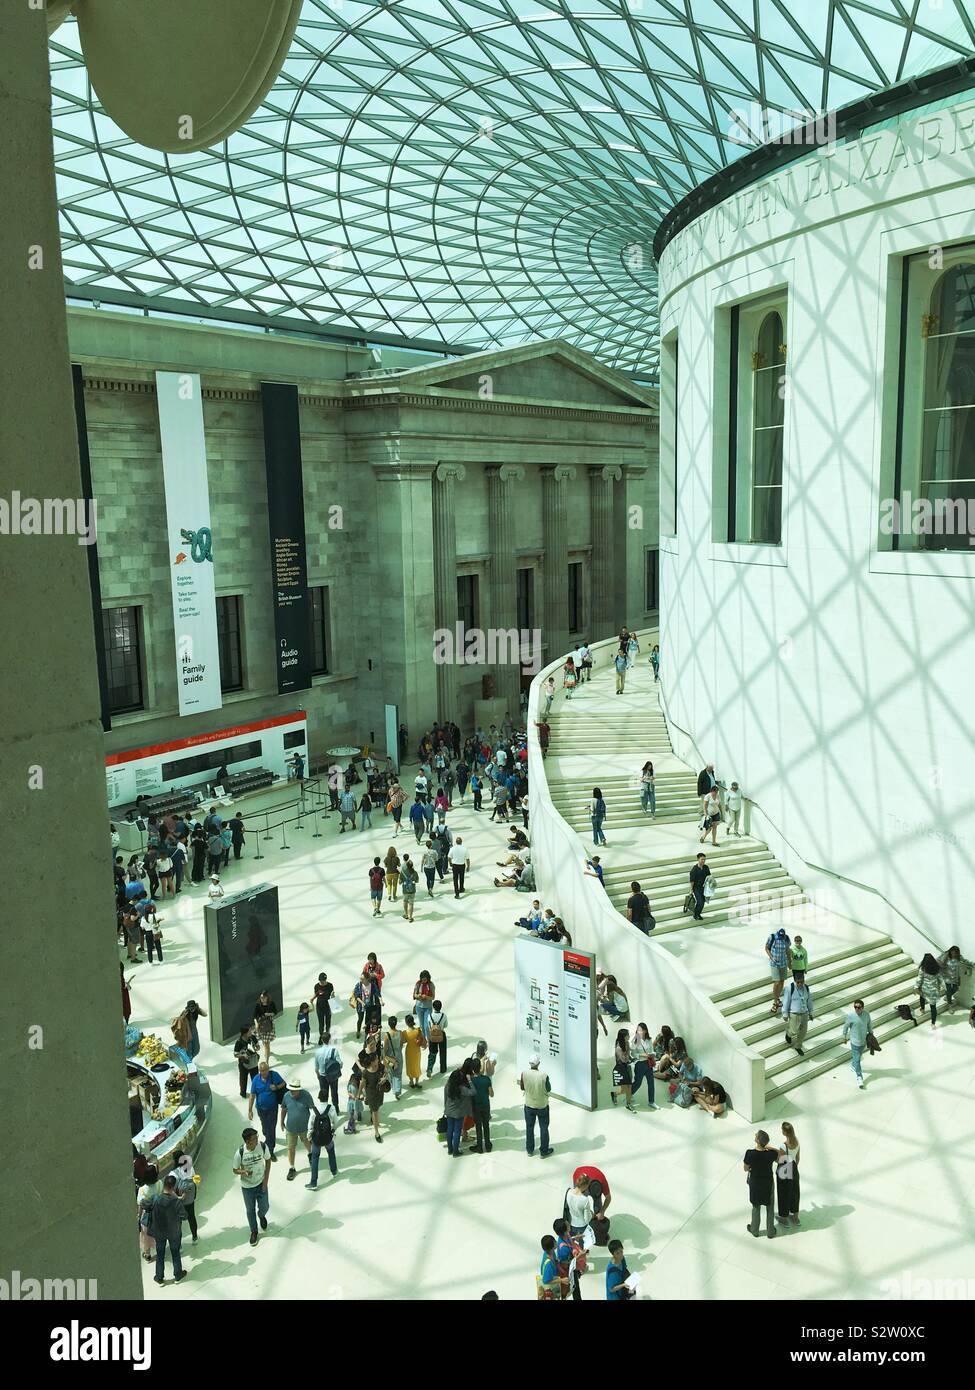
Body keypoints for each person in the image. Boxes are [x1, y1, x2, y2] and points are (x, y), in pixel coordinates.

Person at [233, 1127, 271, 1247]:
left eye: (257, 1137)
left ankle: (262, 1215)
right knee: (250, 1210)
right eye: (254, 1139)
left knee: (265, 1206)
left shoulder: (262, 1147)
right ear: (248, 1141)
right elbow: (235, 1170)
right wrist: (243, 1172)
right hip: (247, 1187)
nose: (257, 1140)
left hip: (261, 1183)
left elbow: (268, 1161)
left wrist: (265, 1181)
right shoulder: (240, 1152)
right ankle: (254, 1231)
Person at [744, 1130, 783, 1239]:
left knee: (756, 1207)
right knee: (770, 1208)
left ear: (757, 1140)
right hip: (768, 1183)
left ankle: (754, 1230)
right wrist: (771, 1148)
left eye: (756, 1135)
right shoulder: (771, 1154)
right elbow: (781, 1157)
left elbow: (745, 1168)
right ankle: (770, 1232)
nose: (755, 1135)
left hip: (755, 1183)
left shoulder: (749, 1153)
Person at [149, 1175, 185, 1285]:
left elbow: (145, 1204)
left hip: (159, 1232)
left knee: (160, 1254)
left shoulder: (156, 1199)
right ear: (173, 1187)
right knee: (175, 1253)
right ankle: (178, 1275)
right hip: (174, 1232)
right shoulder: (176, 1202)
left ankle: (159, 1278)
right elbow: (184, 1215)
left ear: (164, 1185)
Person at [248, 1060, 286, 1158]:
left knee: (271, 1128)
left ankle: (270, 1149)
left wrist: (276, 1087)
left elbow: (283, 1083)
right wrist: (250, 1109)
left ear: (268, 1069)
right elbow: (252, 1095)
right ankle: (268, 1137)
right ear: (259, 1071)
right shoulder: (256, 1080)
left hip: (272, 1108)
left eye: (266, 1070)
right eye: (262, 1071)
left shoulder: (274, 1075)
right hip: (260, 1108)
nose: (264, 1072)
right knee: (265, 1127)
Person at [282, 1080, 317, 1181]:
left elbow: (313, 1109)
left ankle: (310, 1153)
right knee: (290, 1148)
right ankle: (292, 1167)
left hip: (304, 1127)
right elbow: (284, 1108)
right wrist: (281, 1121)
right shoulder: (286, 1096)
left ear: (299, 1090)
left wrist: (315, 1123)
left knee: (307, 1142)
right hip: (290, 1128)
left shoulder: (306, 1095)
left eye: (294, 1091)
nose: (292, 1092)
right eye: (291, 1090)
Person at [520, 1055, 553, 1156]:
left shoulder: (524, 1074)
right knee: (543, 1127)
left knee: (529, 1128)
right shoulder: (544, 1075)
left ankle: (529, 1150)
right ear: (538, 1063)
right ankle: (544, 1151)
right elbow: (548, 1089)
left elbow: (522, 1087)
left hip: (529, 1105)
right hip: (542, 1105)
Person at [307, 1095, 340, 1190]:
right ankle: (334, 1172)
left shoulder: (314, 1109)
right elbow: (336, 1122)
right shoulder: (331, 1108)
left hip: (316, 1139)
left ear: (319, 1097)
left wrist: (309, 1136)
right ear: (327, 1097)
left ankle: (313, 1182)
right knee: (331, 1153)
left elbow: (310, 1125)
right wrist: (332, 1131)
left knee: (315, 1158)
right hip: (327, 1137)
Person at [443, 1067, 475, 1157]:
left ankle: (450, 1149)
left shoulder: (448, 1085)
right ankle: (455, 1151)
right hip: (458, 1113)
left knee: (450, 1130)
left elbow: (445, 1098)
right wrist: (470, 1081)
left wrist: (445, 1108)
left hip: (449, 1111)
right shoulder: (462, 1088)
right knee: (457, 1131)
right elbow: (473, 1092)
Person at [781, 970, 814, 1055]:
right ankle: (788, 1033)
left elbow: (809, 1001)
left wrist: (811, 1012)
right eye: (798, 982)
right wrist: (784, 1013)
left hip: (804, 1013)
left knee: (803, 1032)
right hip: (794, 1013)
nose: (800, 984)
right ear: (795, 981)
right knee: (793, 1031)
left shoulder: (806, 988)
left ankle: (798, 1046)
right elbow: (786, 1001)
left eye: (802, 982)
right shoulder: (790, 988)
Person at [841, 998, 872, 1089]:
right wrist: (844, 1036)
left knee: (857, 1058)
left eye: (859, 1007)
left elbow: (869, 1024)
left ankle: (854, 1066)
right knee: (858, 1059)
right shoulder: (850, 1016)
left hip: (863, 1041)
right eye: (855, 1007)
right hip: (854, 1042)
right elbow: (846, 1027)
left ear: (862, 1007)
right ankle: (859, 1077)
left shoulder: (866, 1014)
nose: (857, 1009)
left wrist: (871, 1033)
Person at [171, 1150, 200, 1243]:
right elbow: (196, 1180)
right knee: (192, 1217)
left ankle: (179, 1245)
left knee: (178, 1222)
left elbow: (170, 1189)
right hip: (190, 1199)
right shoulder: (190, 1168)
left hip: (179, 1201)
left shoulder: (174, 1173)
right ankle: (195, 1237)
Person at [775, 1121, 801, 1227]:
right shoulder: (797, 1141)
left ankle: (784, 1218)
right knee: (795, 1192)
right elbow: (798, 1158)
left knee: (783, 1193)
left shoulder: (783, 1146)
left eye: (782, 1130)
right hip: (794, 1167)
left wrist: (772, 1151)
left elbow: (779, 1160)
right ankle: (795, 1217)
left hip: (785, 1170)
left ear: (785, 1132)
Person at [360, 1051, 386, 1144]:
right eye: (376, 1059)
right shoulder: (366, 1072)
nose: (378, 1060)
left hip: (380, 1092)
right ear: (371, 1062)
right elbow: (362, 1083)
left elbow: (386, 1073)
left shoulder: (381, 1067)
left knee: (377, 1108)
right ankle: (376, 1132)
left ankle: (375, 1121)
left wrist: (385, 1078)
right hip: (371, 1094)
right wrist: (359, 1094)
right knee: (375, 1112)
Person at [630, 1022, 658, 1109]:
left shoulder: (649, 1040)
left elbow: (653, 1051)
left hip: (648, 1063)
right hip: (640, 1064)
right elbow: (633, 1054)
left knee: (651, 1083)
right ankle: (629, 1095)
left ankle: (651, 1101)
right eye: (637, 1030)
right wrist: (642, 1055)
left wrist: (652, 1054)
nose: (638, 1032)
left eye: (640, 1030)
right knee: (638, 1083)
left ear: (645, 1031)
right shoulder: (636, 1040)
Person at [765, 928, 791, 1014]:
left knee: (782, 981)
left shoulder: (786, 938)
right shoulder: (772, 937)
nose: (781, 937)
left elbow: (787, 951)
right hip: (774, 964)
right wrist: (771, 957)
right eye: (780, 936)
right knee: (776, 982)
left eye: (782, 936)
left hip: (783, 963)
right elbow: (766, 948)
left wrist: (789, 962)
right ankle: (775, 1001)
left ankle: (777, 999)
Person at [939, 945, 972, 1012]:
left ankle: (948, 996)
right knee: (949, 990)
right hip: (947, 977)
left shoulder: (959, 957)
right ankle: (950, 1005)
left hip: (955, 977)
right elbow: (938, 961)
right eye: (952, 953)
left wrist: (973, 963)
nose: (954, 954)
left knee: (955, 988)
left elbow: (965, 961)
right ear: (950, 952)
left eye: (955, 953)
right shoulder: (945, 956)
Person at [470, 1056, 493, 1152]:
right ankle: (488, 1145)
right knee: (486, 1124)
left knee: (478, 1126)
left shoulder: (472, 1081)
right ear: (480, 1068)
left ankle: (479, 1147)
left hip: (476, 1106)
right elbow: (492, 1094)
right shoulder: (487, 1079)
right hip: (485, 1105)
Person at [916, 953, 945, 1027]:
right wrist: (945, 987)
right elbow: (941, 979)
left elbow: (919, 979)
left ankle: (922, 1009)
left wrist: (916, 987)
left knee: (922, 997)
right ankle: (933, 1023)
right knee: (933, 1007)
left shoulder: (923, 968)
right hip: (934, 991)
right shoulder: (936, 968)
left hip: (924, 988)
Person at [315, 1032, 342, 1109]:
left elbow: (316, 1068)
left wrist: (318, 1076)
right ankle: (336, 1108)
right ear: (330, 1040)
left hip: (323, 1076)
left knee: (324, 1094)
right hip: (333, 1076)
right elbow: (340, 1064)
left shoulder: (317, 1052)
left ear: (322, 1040)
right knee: (334, 1093)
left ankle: (325, 1110)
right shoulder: (334, 1051)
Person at [234, 1024, 260, 1099]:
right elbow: (235, 1054)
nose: (251, 1032)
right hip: (243, 1064)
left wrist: (255, 1048)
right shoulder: (239, 1042)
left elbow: (258, 1047)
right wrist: (243, 1055)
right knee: (243, 1079)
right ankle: (243, 1093)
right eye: (249, 1031)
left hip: (253, 1062)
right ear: (245, 1033)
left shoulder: (253, 1038)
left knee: (255, 1078)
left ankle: (256, 1092)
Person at [612, 1029, 635, 1112]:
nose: (629, 1036)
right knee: (624, 1089)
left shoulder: (627, 1043)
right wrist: (628, 1054)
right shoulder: (618, 1048)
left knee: (629, 1087)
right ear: (623, 1037)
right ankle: (614, 1094)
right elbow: (624, 1059)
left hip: (627, 1067)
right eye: (627, 1035)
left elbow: (628, 1056)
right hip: (620, 1069)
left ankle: (628, 1104)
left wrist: (629, 1056)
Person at [538, 1235, 568, 1300]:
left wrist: (560, 1264)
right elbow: (546, 1281)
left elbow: (555, 1261)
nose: (557, 1242)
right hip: (550, 1288)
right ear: (552, 1247)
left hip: (553, 1276)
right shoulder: (548, 1264)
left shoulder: (550, 1253)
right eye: (555, 1242)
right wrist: (561, 1280)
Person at [253, 990, 277, 1063]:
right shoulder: (258, 1005)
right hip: (261, 1026)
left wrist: (269, 1014)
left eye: (263, 997)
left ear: (267, 997)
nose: (262, 999)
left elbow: (275, 1012)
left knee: (266, 1044)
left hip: (269, 1025)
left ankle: (267, 1061)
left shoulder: (271, 1004)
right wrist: (256, 1023)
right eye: (261, 997)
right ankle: (267, 1053)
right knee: (265, 1042)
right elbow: (254, 1016)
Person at [383, 1016, 404, 1100]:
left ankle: (393, 1088)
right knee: (398, 1074)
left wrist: (384, 1056)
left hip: (390, 1056)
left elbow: (385, 1047)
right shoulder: (400, 1033)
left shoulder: (387, 1035)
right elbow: (401, 1044)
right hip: (398, 1054)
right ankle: (397, 1091)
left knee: (391, 1072)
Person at [426, 999, 448, 1076]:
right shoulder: (444, 1016)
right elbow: (446, 1025)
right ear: (441, 1007)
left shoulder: (430, 1016)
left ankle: (429, 1068)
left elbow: (429, 1026)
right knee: (443, 1052)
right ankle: (443, 1068)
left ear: (433, 1007)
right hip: (441, 1035)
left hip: (432, 1036)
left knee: (432, 1053)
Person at [402, 1014, 425, 1090]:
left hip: (409, 1051)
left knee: (410, 1066)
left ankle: (411, 1081)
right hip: (417, 1051)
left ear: (406, 1023)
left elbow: (404, 1041)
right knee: (417, 1065)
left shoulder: (405, 1032)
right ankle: (417, 1082)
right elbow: (421, 1038)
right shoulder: (418, 1030)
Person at [413, 971, 435, 1039]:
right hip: (419, 1007)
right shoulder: (418, 984)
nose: (423, 981)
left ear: (428, 978)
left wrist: (426, 997)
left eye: (425, 979)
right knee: (421, 1025)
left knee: (426, 1025)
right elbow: (414, 994)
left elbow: (433, 997)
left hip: (427, 1007)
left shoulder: (431, 985)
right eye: (422, 979)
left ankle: (429, 1040)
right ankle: (423, 1040)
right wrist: (418, 996)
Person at [313, 973, 334, 1044]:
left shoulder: (330, 985)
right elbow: (316, 994)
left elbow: (332, 997)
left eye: (323, 981)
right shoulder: (316, 986)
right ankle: (321, 1036)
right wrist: (312, 999)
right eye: (320, 981)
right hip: (320, 1007)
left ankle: (327, 1036)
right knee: (321, 1024)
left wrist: (333, 995)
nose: (321, 982)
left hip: (328, 1007)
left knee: (328, 1023)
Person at [689, 852, 709, 920]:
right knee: (700, 901)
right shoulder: (694, 869)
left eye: (704, 859)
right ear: (698, 859)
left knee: (702, 902)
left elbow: (709, 876)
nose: (703, 861)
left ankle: (698, 914)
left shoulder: (706, 867)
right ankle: (695, 914)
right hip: (696, 888)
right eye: (702, 859)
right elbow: (692, 881)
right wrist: (691, 890)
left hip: (704, 888)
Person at [399, 854, 418, 920]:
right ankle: (410, 917)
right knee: (411, 903)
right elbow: (417, 880)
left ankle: (406, 914)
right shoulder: (414, 872)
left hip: (405, 889)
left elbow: (400, 882)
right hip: (412, 889)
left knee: (405, 901)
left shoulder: (403, 872)